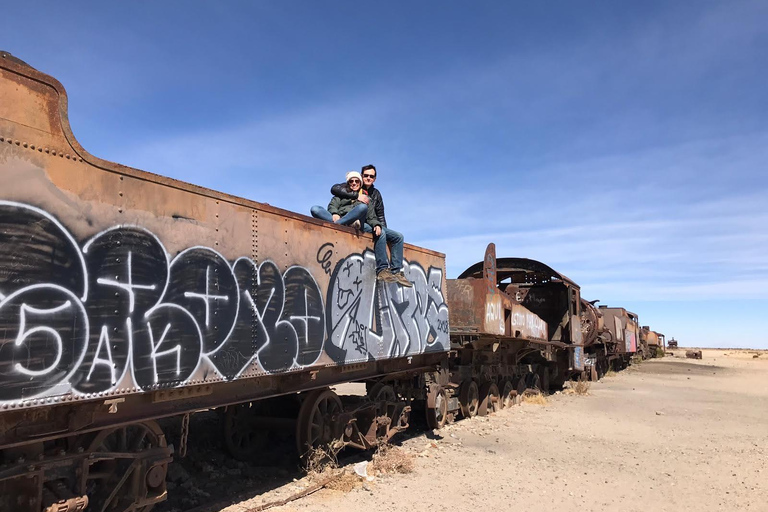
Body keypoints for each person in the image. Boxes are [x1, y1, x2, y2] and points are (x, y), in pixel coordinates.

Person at [331, 164, 412, 287]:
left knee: (398, 237)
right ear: (361, 176)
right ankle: (382, 270)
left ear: (375, 178)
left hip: (373, 222)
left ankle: (396, 272)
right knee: (379, 229)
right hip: (360, 222)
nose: (368, 178)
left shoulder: (376, 193)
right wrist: (357, 195)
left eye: (371, 176)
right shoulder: (353, 184)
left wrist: (381, 229)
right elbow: (335, 189)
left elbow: (380, 215)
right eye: (366, 175)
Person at [310, 171, 375, 229]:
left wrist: (376, 225)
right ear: (348, 183)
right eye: (351, 181)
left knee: (363, 207)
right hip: (338, 218)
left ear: (360, 183)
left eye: (357, 181)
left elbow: (371, 217)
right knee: (315, 209)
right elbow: (332, 205)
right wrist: (334, 213)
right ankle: (341, 223)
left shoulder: (366, 198)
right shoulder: (341, 194)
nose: (354, 183)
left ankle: (338, 224)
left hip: (357, 222)